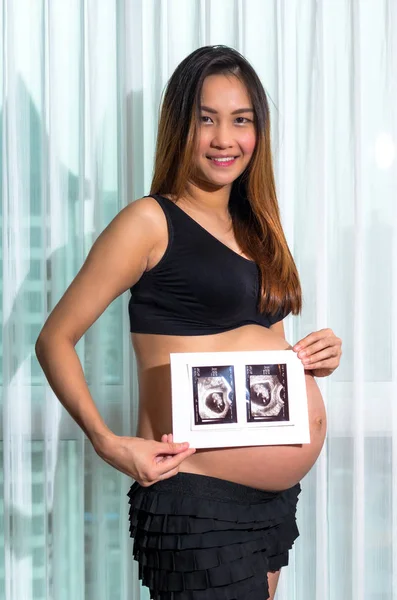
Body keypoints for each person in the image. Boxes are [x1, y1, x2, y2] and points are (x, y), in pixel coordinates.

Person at [35, 45, 342, 600]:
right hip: (197, 502)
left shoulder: (257, 226)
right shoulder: (149, 221)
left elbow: (264, 346)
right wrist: (108, 443)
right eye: (207, 119)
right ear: (181, 126)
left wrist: (314, 358)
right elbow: (54, 338)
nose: (225, 139)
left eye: (241, 120)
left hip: (271, 505)